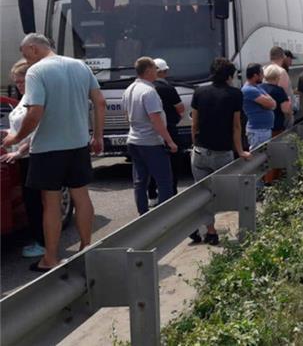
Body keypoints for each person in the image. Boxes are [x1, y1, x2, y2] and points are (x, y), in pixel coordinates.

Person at [2, 33, 105, 272]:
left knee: (51, 203)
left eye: (24, 52)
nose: (24, 58)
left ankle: (50, 258)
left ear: (34, 48)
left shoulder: (36, 72)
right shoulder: (80, 66)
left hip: (48, 148)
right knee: (82, 197)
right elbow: (99, 102)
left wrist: (14, 138)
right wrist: (97, 135)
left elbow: (35, 112)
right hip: (78, 144)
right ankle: (86, 248)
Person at [189, 58, 251, 245]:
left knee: (202, 195)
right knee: (229, 194)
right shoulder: (235, 94)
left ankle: (211, 231)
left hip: (200, 151)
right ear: (230, 76)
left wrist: (195, 145)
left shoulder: (199, 92)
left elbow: (194, 124)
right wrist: (240, 151)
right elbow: (236, 127)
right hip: (223, 152)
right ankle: (244, 229)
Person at [122, 57, 178, 215]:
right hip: (151, 142)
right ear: (148, 71)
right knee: (164, 181)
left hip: (133, 140)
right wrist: (170, 141)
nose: (158, 72)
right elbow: (156, 120)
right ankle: (163, 217)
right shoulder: (149, 92)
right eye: (155, 69)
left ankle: (143, 214)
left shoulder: (129, 89)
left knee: (140, 181)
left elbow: (126, 116)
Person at [1, 59, 45, 257]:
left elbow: (37, 131)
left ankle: (42, 244)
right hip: (22, 157)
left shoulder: (34, 100)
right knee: (31, 203)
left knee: (36, 202)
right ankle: (39, 240)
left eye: (22, 81)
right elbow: (19, 129)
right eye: (16, 82)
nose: (19, 85)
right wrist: (7, 132)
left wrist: (18, 151)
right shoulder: (24, 99)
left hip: (32, 157)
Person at [146, 58, 184, 206]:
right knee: (173, 164)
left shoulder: (145, 88)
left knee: (152, 164)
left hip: (149, 132)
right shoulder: (168, 88)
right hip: (169, 130)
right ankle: (172, 194)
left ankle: (152, 194)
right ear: (164, 72)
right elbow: (180, 108)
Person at [242, 63, 276, 150]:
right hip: (258, 131)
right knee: (259, 156)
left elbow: (273, 103)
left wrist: (268, 104)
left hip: (263, 130)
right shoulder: (249, 90)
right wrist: (268, 104)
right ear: (255, 75)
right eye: (261, 73)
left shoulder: (257, 88)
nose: (263, 76)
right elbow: (271, 104)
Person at [260, 64, 292, 137]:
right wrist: (289, 104)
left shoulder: (259, 88)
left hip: (261, 126)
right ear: (277, 77)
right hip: (275, 126)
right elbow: (286, 110)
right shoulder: (279, 90)